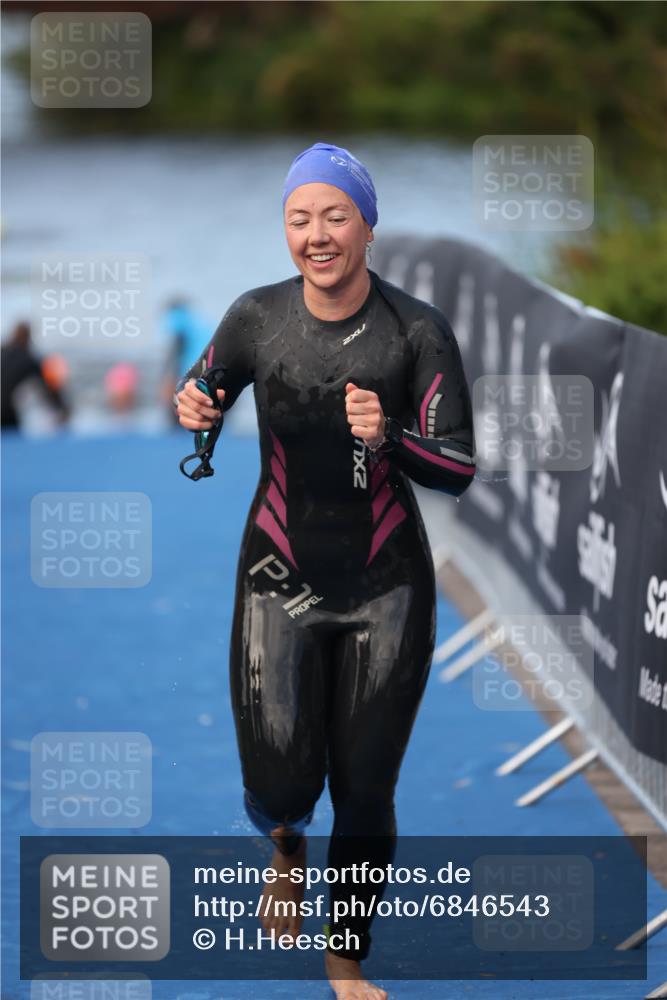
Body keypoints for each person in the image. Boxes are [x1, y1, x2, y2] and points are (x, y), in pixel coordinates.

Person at [174, 141, 476, 1000]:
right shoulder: (254, 317)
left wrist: (390, 436)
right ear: (285, 228)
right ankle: (285, 847)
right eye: (300, 218)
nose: (317, 234)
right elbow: (203, 391)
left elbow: (456, 468)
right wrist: (192, 403)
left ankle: (344, 962)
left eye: (334, 215)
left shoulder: (416, 331)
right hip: (277, 574)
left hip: (388, 585)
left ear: (367, 227)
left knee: (366, 785)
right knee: (278, 782)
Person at [1, 321, 69, 429]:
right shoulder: (28, 360)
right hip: (5, 415)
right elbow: (48, 388)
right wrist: (62, 409)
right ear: (28, 339)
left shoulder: (2, 353)